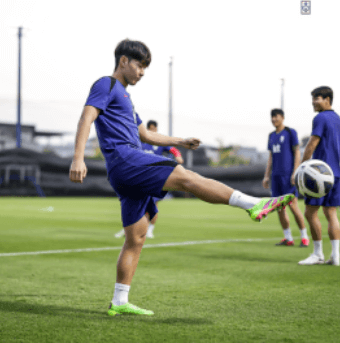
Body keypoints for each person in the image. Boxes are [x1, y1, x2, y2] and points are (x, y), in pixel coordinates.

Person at [69, 39, 294, 316]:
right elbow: (86, 118)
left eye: (145, 68)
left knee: (136, 238)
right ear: (124, 61)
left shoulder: (126, 98)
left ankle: (119, 301)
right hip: (126, 159)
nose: (142, 72)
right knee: (185, 176)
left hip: (124, 170)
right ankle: (253, 204)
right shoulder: (106, 84)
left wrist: (181, 140)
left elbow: (147, 135)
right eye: (140, 65)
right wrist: (78, 158)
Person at [115, 120, 184, 238]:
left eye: (154, 129)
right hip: (140, 176)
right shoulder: (140, 141)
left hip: (156, 177)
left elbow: (173, 149)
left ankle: (150, 230)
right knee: (132, 204)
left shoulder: (159, 141)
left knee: (153, 204)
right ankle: (128, 229)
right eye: (150, 129)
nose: (152, 131)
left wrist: (178, 156)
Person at [298, 86, 340, 266]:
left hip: (318, 175)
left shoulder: (320, 117)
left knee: (310, 213)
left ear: (327, 99)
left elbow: (311, 144)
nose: (313, 102)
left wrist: (301, 168)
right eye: (313, 99)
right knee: (331, 213)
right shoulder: (339, 119)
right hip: (335, 174)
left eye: (317, 98)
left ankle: (317, 254)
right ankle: (336, 257)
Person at [263, 109, 309, 247]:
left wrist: (295, 172)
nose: (273, 119)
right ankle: (288, 238)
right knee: (279, 208)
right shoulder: (271, 135)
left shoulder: (290, 132)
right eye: (272, 117)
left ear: (282, 117)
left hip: (288, 176)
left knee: (293, 206)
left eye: (276, 117)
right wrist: (266, 176)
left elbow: (297, 152)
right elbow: (270, 156)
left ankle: (304, 237)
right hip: (275, 177)